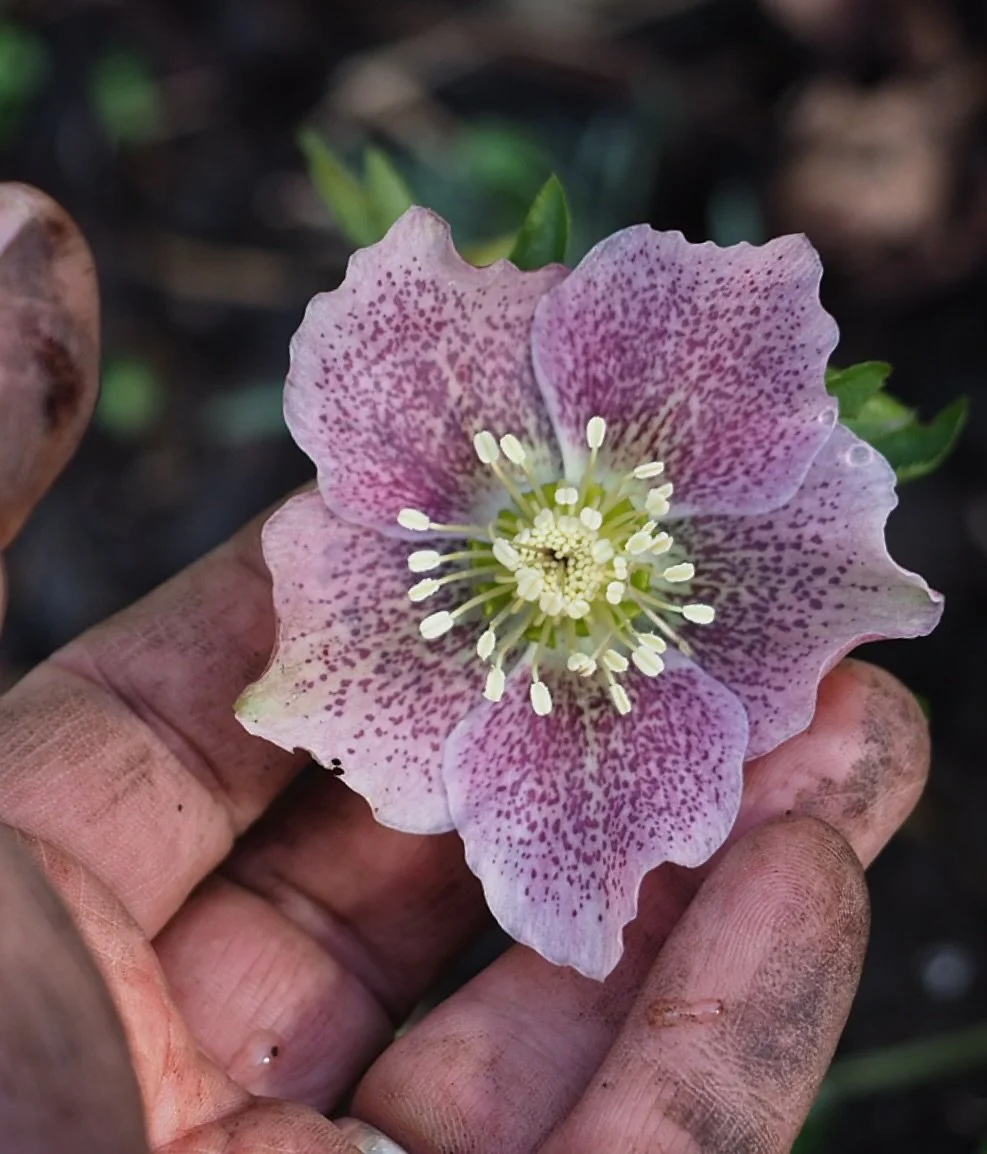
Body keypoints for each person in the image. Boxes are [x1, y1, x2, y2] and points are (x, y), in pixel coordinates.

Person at [0, 183, 932, 1154]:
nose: (568, 560)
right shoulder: (414, 396)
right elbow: (399, 315)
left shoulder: (792, 562)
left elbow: (836, 569)